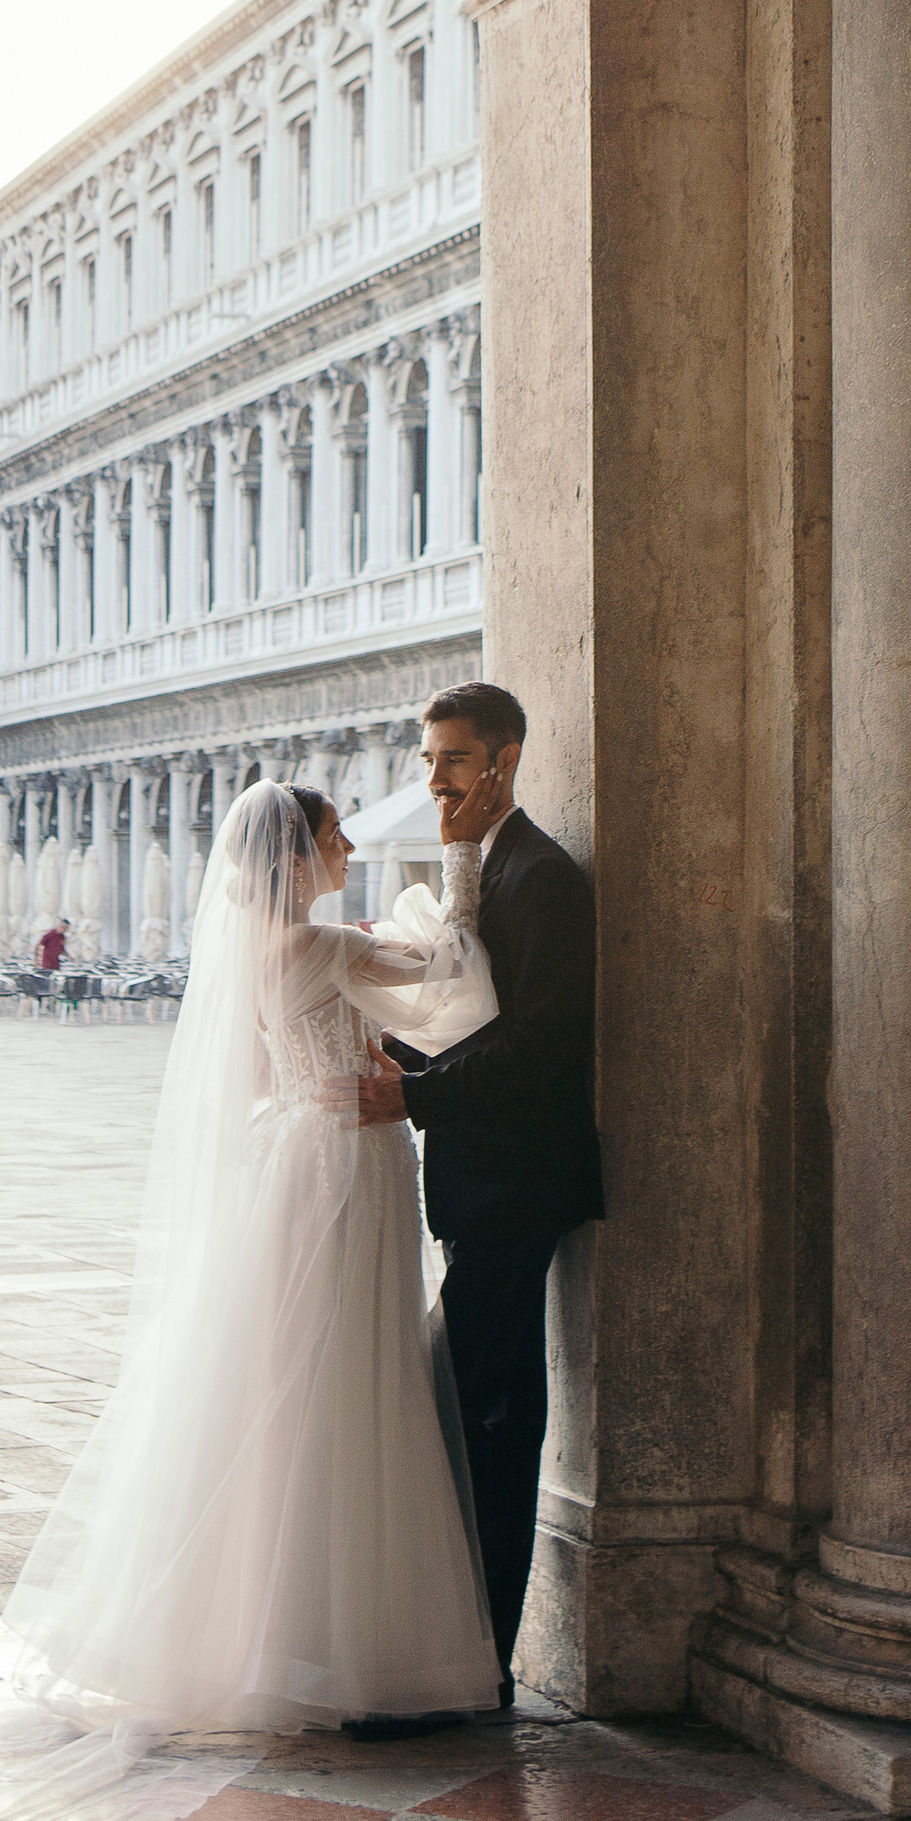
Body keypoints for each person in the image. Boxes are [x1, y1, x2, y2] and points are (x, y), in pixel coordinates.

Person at [5, 778, 505, 1732]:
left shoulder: (252, 953)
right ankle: (338, 1636)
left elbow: (250, 1078)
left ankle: (259, 1626)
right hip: (350, 1163)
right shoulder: (324, 945)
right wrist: (463, 858)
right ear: (299, 858)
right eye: (336, 836)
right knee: (354, 1374)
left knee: (288, 1375)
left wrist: (340, 1068)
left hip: (292, 1157)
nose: (350, 849)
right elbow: (450, 977)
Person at [357, 681, 602, 1702]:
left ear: (500, 761)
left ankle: (483, 1660)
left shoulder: (541, 878)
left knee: (492, 1421)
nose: (433, 780)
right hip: (481, 1187)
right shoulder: (481, 869)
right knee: (471, 1411)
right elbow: (468, 1015)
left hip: (516, 1187)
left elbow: (543, 1043)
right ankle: (468, 1648)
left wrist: (412, 1095)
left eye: (450, 760)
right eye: (427, 760)